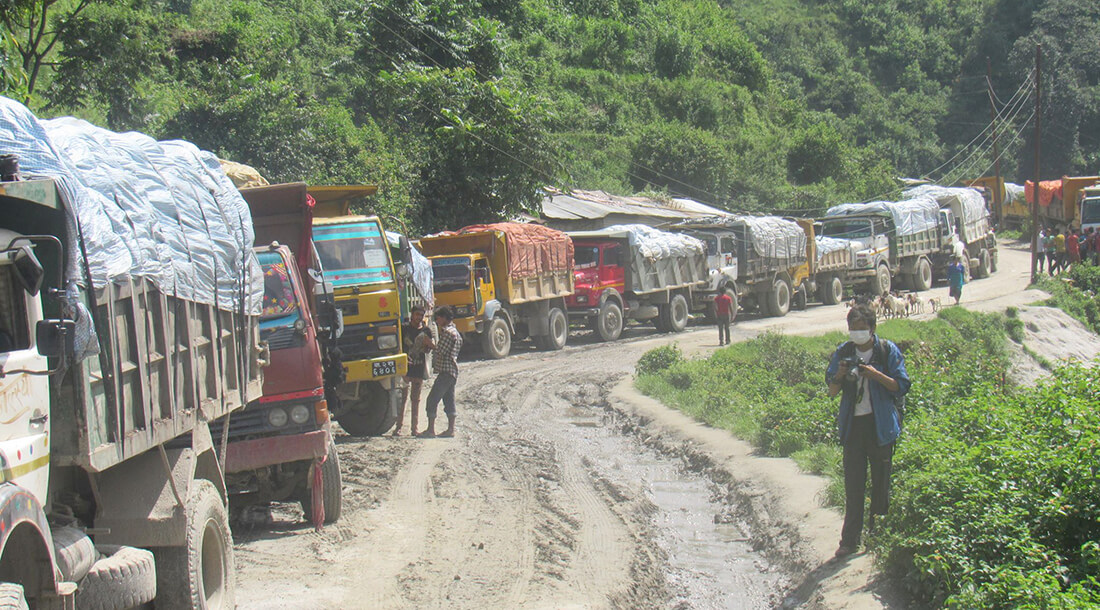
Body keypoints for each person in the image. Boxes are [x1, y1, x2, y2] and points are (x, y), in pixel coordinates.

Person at [825, 303, 910, 558]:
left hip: (881, 426)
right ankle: (849, 541)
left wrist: (875, 375)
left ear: (872, 329)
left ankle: (877, 537)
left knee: (880, 484)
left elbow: (901, 386)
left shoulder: (886, 351)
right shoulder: (844, 352)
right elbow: (831, 391)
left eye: (862, 329)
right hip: (854, 427)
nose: (857, 333)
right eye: (853, 328)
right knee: (854, 485)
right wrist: (840, 374)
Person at [421, 306, 462, 438]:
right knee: (449, 400)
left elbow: (440, 351)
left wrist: (429, 343)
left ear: (444, 318)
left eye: (438, 318)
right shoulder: (455, 332)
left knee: (432, 399)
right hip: (451, 372)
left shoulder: (448, 333)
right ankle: (450, 429)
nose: (437, 321)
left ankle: (431, 430)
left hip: (446, 371)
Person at [393, 306, 433, 437]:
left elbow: (429, 350)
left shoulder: (427, 331)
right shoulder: (404, 328)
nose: (419, 317)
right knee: (402, 399)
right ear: (412, 315)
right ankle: (398, 427)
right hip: (405, 369)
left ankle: (414, 429)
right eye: (417, 314)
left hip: (418, 368)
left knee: (415, 400)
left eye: (421, 315)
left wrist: (428, 346)